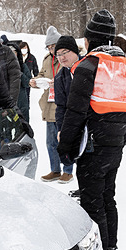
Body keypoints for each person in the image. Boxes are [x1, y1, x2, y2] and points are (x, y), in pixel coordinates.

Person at [57, 10, 126, 250]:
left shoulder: (87, 66)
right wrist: (120, 143)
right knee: (108, 198)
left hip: (91, 147)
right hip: (114, 146)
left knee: (92, 201)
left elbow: (75, 112)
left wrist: (66, 148)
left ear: (89, 40)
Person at [30, 26, 74, 182]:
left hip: (64, 104)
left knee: (66, 139)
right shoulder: (47, 59)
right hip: (49, 106)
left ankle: (67, 171)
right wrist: (35, 81)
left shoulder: (68, 58)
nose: (51, 49)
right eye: (48, 47)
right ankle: (55, 170)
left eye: (53, 46)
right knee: (51, 142)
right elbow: (42, 74)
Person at [52, 35, 82, 184]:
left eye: (65, 52)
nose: (61, 57)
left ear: (75, 51)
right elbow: (61, 106)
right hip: (73, 123)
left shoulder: (88, 67)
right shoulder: (60, 77)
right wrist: (61, 129)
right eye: (58, 54)